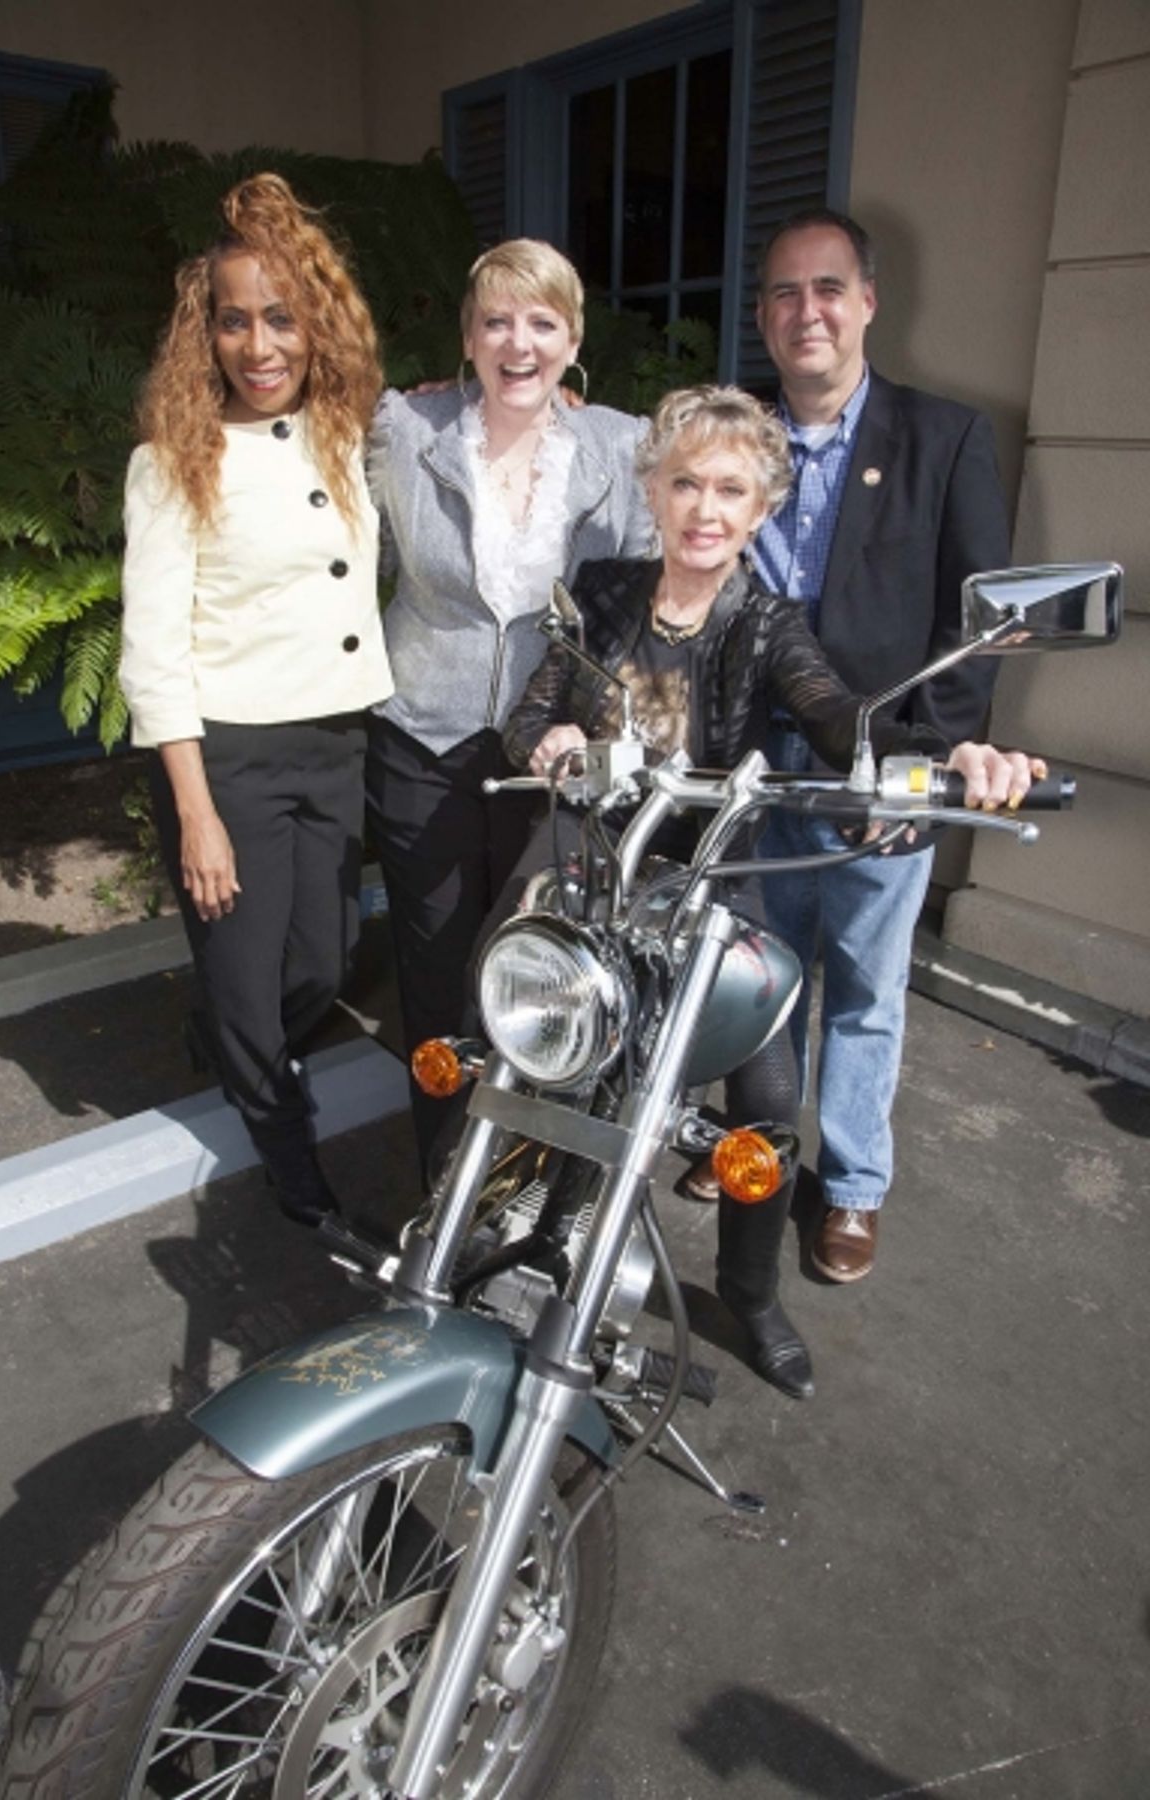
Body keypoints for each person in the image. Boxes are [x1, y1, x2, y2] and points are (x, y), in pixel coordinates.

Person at [502, 385, 1040, 1399]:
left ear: (760, 512)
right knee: (505, 1030)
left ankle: (748, 1294)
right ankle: (479, 1232)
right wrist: (551, 736)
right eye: (688, 483)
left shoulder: (767, 620)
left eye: (732, 490)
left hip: (710, 879)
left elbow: (843, 717)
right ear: (654, 492)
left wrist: (949, 750)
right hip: (589, 864)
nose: (707, 508)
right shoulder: (604, 592)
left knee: (764, 1098)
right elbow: (536, 700)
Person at [119, 173, 392, 1227]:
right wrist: (195, 814)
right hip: (227, 756)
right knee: (247, 981)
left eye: (282, 317)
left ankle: (234, 1037)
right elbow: (151, 653)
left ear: (316, 326)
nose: (261, 344)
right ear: (209, 335)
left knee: (320, 963)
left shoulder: (343, 431)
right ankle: (291, 1162)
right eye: (236, 321)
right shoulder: (172, 462)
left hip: (334, 741)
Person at [752, 207, 1011, 1285]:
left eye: (826, 290)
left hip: (881, 764)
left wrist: (931, 765)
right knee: (759, 983)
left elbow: (978, 620)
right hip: (755, 766)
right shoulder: (739, 437)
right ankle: (757, 1147)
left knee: (863, 984)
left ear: (866, 302)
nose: (805, 312)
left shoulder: (944, 437)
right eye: (782, 293)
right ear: (763, 317)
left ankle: (852, 1188)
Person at [365, 238, 653, 1172]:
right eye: (496, 320)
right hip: (424, 743)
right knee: (439, 971)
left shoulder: (621, 446)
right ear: (468, 336)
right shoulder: (407, 434)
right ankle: (442, 1184)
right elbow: (346, 566)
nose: (517, 342)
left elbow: (654, 602)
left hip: (554, 762)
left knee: (549, 979)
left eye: (542, 322)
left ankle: (531, 1185)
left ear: (573, 339)